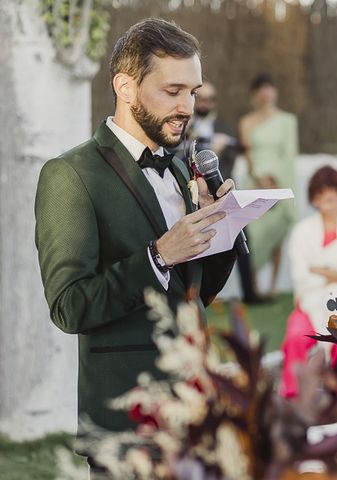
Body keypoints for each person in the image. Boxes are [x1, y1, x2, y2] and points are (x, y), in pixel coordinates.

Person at [34, 19, 236, 474]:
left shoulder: (185, 171)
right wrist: (158, 255)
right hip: (125, 426)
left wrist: (221, 230)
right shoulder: (71, 176)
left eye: (193, 91)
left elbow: (193, 294)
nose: (188, 106)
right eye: (173, 91)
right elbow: (70, 306)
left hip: (198, 414)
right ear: (125, 87)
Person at [280, 166, 337, 419]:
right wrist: (333, 271)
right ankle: (294, 401)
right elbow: (301, 275)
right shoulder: (301, 231)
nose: (327, 202)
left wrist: (320, 269)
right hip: (309, 302)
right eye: (321, 195)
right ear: (314, 198)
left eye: (333, 195)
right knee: (296, 336)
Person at [186, 81, 265, 304]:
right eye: (201, 98)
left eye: (210, 99)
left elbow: (230, 162)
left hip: (223, 193)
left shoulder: (225, 126)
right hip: (193, 198)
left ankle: (250, 292)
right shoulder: (184, 125)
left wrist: (216, 153)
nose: (205, 103)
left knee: (241, 241)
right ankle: (196, 294)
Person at [239, 73, 298, 298]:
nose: (265, 93)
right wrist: (259, 178)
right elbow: (248, 154)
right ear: (255, 93)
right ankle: (253, 286)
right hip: (255, 183)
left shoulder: (287, 121)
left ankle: (273, 286)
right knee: (252, 233)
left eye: (269, 87)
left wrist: (275, 182)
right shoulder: (247, 122)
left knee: (277, 232)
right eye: (261, 88)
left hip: (280, 181)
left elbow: (289, 154)